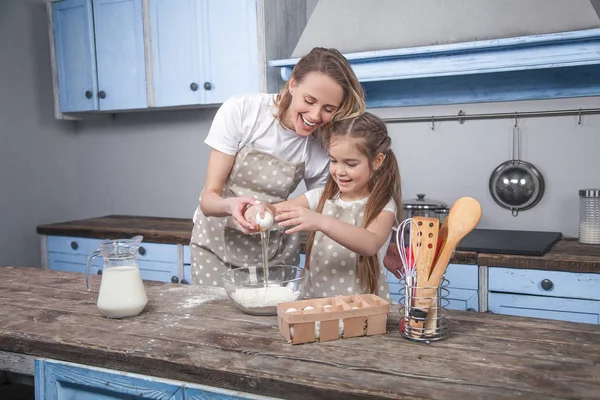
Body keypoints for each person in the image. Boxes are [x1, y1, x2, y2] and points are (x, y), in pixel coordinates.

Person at [190, 47, 366, 286]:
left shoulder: (321, 144)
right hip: (214, 245)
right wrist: (232, 205)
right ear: (292, 84)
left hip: (276, 252)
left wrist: (275, 211)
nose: (315, 116)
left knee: (271, 323)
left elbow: (328, 198)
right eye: (309, 101)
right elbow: (208, 200)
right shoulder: (243, 112)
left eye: (328, 109)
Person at [245, 112, 402, 299]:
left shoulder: (382, 204)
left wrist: (321, 221)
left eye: (351, 164)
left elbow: (370, 243)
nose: (339, 171)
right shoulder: (322, 196)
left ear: (377, 161)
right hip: (316, 304)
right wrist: (261, 209)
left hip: (362, 311)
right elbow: (278, 210)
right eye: (334, 161)